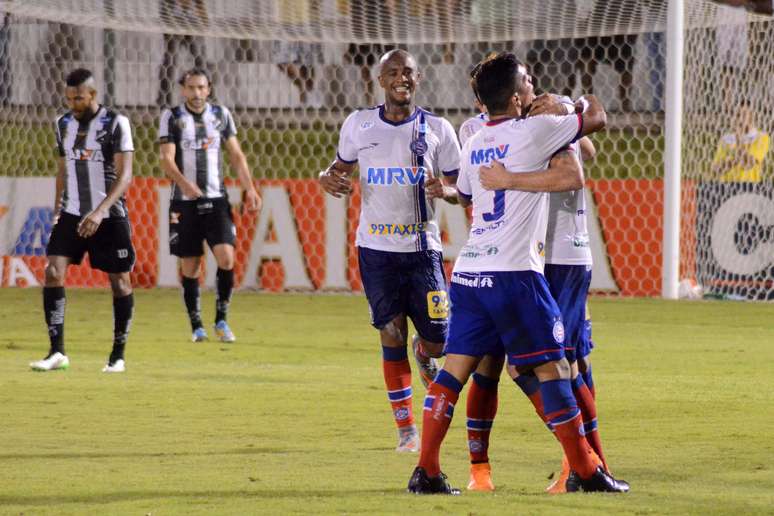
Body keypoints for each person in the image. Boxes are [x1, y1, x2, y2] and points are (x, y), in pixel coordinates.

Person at [407, 52, 629, 494]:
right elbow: (596, 120)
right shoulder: (536, 130)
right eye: (528, 81)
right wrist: (571, 103)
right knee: (553, 370)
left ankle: (426, 471)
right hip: (515, 274)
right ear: (515, 96)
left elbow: (468, 194)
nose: (535, 86)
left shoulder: (473, 142)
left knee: (453, 373)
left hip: (470, 273)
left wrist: (489, 181)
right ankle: (586, 471)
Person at [319, 49, 461, 453]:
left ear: (419, 79)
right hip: (377, 249)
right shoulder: (359, 125)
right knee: (390, 332)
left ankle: (425, 350)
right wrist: (325, 179)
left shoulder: (437, 129)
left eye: (409, 73)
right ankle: (406, 432)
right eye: (393, 72)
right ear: (380, 81)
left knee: (438, 340)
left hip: (422, 250)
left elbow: (461, 187)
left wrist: (446, 191)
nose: (402, 78)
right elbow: (336, 170)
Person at [29, 68, 135, 373]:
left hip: (109, 215)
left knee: (120, 281)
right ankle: (56, 352)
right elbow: (63, 170)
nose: (73, 103)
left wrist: (100, 211)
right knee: (52, 271)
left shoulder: (116, 123)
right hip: (73, 212)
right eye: (69, 98)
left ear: (93, 95)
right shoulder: (62, 124)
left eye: (79, 97)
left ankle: (117, 355)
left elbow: (125, 175)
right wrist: (56, 210)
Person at [158, 68, 262, 343]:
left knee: (227, 258)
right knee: (191, 265)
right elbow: (167, 160)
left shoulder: (220, 115)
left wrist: (249, 187)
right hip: (185, 203)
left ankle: (221, 320)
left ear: (208, 89)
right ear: (183, 89)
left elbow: (237, 155)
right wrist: (184, 184)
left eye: (201, 88)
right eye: (191, 88)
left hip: (217, 199)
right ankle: (196, 325)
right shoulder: (172, 117)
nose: (196, 93)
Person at [156, 0, 210, 107]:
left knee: (201, 61)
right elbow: (164, 15)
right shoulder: (169, 3)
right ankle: (164, 99)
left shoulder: (196, 4)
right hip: (174, 27)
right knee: (170, 62)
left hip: (192, 27)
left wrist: (201, 18)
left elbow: (204, 19)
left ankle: (208, 96)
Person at [710, 101, 770, 182]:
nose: (739, 118)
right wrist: (737, 160)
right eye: (737, 115)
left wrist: (738, 137)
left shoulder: (761, 137)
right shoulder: (726, 139)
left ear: (752, 116)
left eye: (744, 114)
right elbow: (716, 169)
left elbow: (747, 164)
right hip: (726, 187)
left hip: (749, 187)